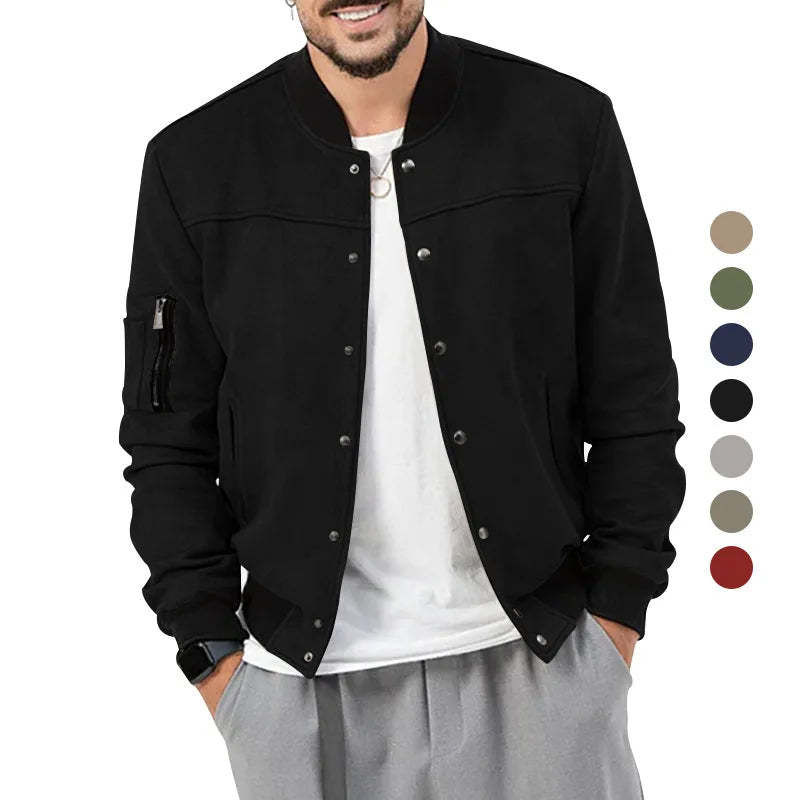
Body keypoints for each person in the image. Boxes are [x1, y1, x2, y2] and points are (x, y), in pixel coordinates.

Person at [119, 2, 686, 798]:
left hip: (544, 661)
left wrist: (617, 615)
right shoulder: (196, 164)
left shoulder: (563, 126)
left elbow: (635, 395)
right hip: (296, 691)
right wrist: (213, 656)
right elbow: (166, 439)